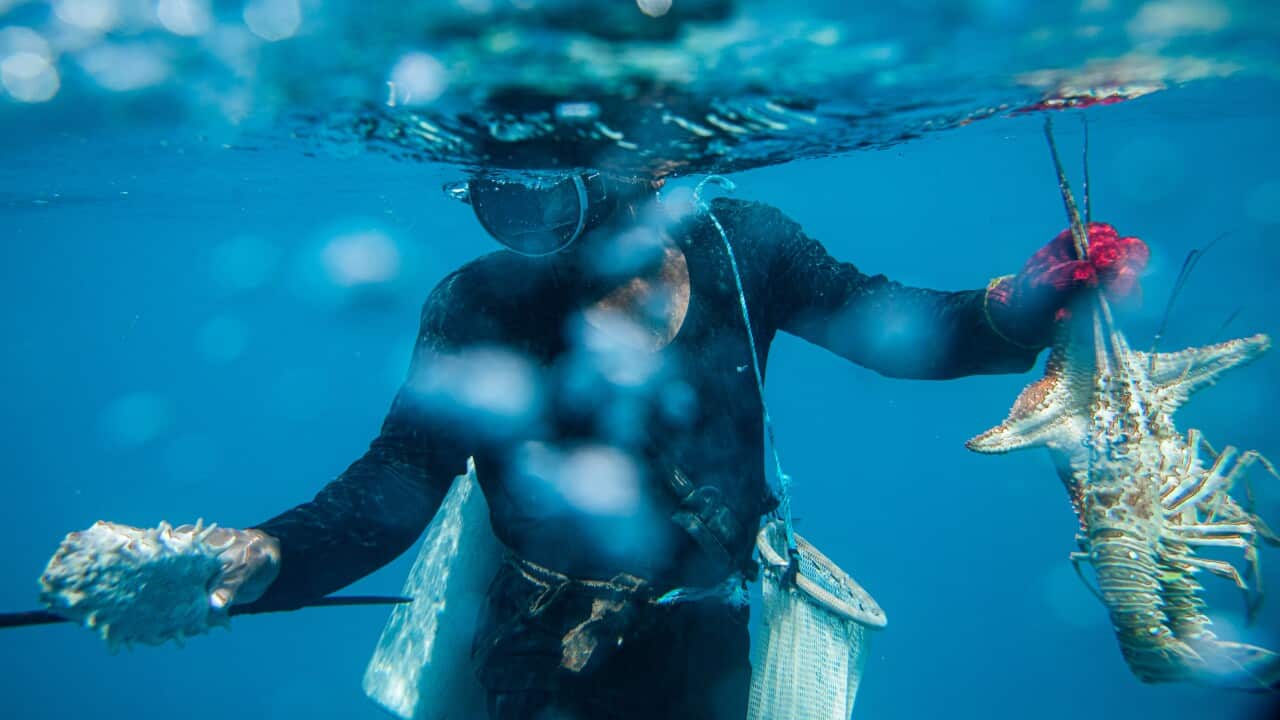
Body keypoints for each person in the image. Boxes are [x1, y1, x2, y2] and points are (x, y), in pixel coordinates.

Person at [78, 170, 1150, 720]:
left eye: (553, 186)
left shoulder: (744, 243)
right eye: (504, 191)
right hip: (538, 656)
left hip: (716, 637)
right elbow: (396, 482)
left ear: (657, 169)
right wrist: (257, 556)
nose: (532, 219)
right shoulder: (483, 302)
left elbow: (897, 330)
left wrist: (1023, 301)